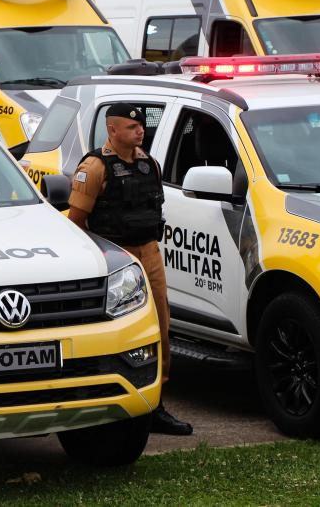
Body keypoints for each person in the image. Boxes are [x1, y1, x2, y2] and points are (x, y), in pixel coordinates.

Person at [67, 103, 193, 436]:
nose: (139, 131)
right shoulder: (95, 167)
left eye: (140, 127)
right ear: (112, 130)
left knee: (161, 326)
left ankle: (157, 405)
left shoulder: (148, 163)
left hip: (149, 253)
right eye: (131, 127)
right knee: (122, 330)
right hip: (116, 259)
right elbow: (76, 223)